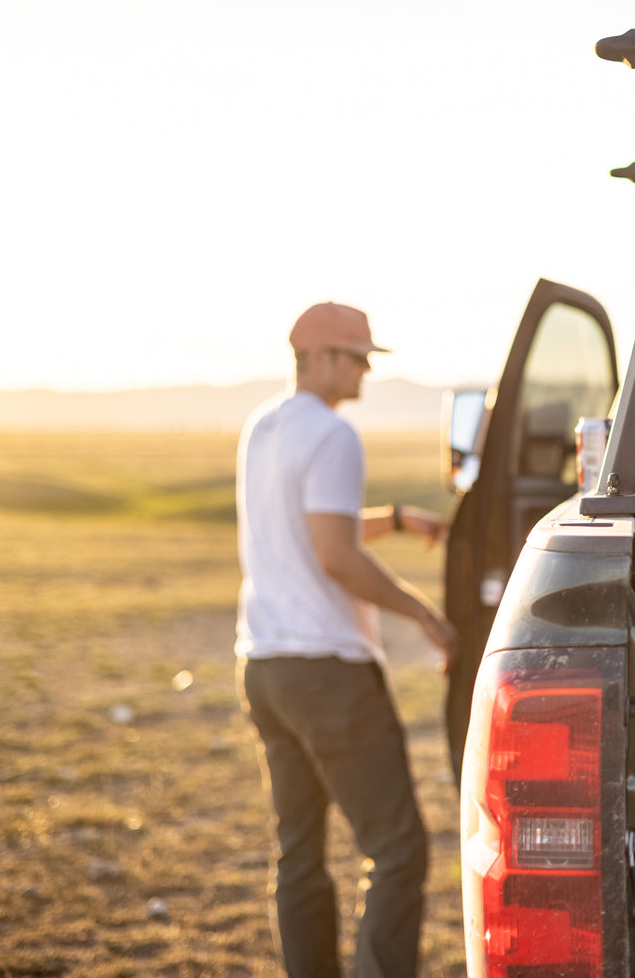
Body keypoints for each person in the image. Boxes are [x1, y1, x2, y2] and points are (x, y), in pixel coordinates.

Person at [234, 300, 458, 978]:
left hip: (266, 667)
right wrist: (421, 612)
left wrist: (393, 519)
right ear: (321, 358)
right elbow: (332, 555)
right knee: (396, 850)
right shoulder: (334, 436)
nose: (364, 369)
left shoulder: (261, 428)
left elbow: (315, 532)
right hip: (328, 672)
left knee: (298, 851)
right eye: (357, 356)